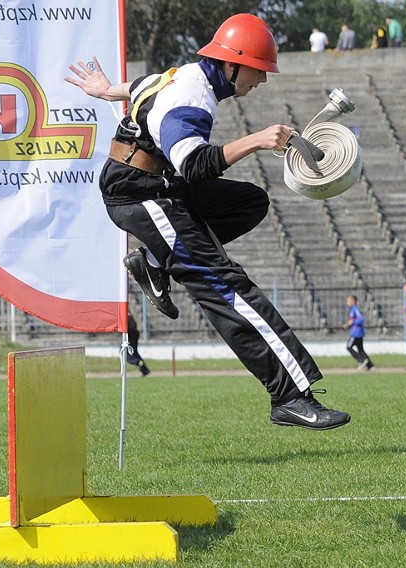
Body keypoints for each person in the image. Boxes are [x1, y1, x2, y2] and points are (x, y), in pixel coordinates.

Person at [66, 14, 350, 430]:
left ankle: (157, 263)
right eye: (259, 69)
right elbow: (196, 165)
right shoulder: (191, 99)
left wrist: (106, 89)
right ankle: (290, 396)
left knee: (248, 203)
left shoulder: (181, 75)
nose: (263, 80)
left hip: (150, 184)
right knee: (226, 284)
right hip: (143, 195)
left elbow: (137, 87)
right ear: (233, 64)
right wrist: (257, 139)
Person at [343, 295, 373, 371]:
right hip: (358, 332)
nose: (347, 302)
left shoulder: (355, 310)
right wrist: (349, 325)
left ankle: (362, 360)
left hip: (356, 333)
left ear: (353, 301)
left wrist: (351, 322)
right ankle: (369, 365)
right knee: (360, 349)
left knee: (349, 347)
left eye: (348, 300)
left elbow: (361, 319)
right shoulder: (353, 310)